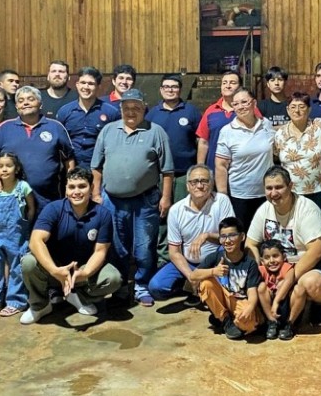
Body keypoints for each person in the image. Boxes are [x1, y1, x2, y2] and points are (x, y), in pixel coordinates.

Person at [91, 89, 174, 307]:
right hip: (112, 200)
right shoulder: (108, 131)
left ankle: (142, 286)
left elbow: (167, 171)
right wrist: (96, 194)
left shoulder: (156, 132)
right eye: (127, 107)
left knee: (144, 247)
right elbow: (96, 167)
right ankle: (120, 286)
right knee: (117, 246)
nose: (131, 112)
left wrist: (166, 198)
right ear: (120, 109)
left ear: (143, 109)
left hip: (145, 200)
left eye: (136, 108)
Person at [20, 167, 122, 324]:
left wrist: (85, 272)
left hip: (80, 270)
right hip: (54, 270)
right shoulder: (53, 209)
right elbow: (35, 241)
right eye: (72, 187)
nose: (76, 191)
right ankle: (40, 305)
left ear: (91, 188)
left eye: (82, 186)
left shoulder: (103, 214)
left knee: (113, 278)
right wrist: (55, 270)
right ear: (66, 190)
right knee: (28, 262)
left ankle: (77, 296)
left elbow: (101, 251)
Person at [246, 166, 321, 336]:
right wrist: (259, 266)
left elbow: (316, 251)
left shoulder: (307, 209)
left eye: (279, 187)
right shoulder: (264, 209)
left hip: (314, 263)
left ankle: (316, 306)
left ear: (290, 186)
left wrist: (288, 279)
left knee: (309, 284)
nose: (274, 193)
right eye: (269, 188)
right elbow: (250, 243)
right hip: (279, 265)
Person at [147, 164, 235, 301]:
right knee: (156, 287)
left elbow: (231, 237)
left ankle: (206, 286)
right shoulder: (176, 210)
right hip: (189, 263)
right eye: (194, 182)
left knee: (224, 282)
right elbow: (174, 252)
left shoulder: (222, 201)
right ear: (187, 186)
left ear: (211, 184)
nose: (199, 186)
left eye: (204, 181)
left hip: (216, 261)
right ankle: (189, 286)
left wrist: (207, 235)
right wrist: (191, 276)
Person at [0, 86, 75, 213]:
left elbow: (69, 159)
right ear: (16, 107)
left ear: (40, 104)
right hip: (12, 200)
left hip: (48, 200)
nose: (25, 103)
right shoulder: (5, 127)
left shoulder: (56, 127)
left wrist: (71, 185)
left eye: (30, 99)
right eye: (20, 101)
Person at [189, 217, 264, 340]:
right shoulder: (215, 256)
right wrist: (213, 271)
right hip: (223, 296)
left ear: (242, 237)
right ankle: (225, 320)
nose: (227, 241)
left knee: (250, 325)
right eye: (223, 237)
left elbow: (252, 290)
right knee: (206, 283)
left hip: (239, 300)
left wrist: (250, 307)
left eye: (232, 235)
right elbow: (193, 276)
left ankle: (219, 317)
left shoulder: (249, 263)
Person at [0, 153, 35, 317]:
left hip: (16, 235)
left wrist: (26, 224)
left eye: (8, 166)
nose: (4, 169)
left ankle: (15, 302)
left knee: (16, 268)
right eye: (0, 166)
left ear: (16, 168)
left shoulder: (23, 187)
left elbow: (32, 207)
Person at [215, 88, 275, 229]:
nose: (240, 107)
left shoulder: (266, 124)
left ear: (254, 103)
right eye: (236, 104)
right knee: (243, 236)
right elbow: (221, 165)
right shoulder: (227, 131)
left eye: (244, 102)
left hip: (267, 193)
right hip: (240, 196)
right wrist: (223, 196)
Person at [145, 74, 201, 203]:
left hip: (184, 173)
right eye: (166, 87)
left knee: (184, 210)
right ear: (161, 90)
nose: (170, 90)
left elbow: (200, 140)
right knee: (161, 212)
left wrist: (198, 166)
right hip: (158, 174)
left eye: (174, 87)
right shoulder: (152, 113)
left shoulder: (191, 111)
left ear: (180, 90)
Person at [56, 67, 120, 169]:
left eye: (91, 84)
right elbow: (58, 143)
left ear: (98, 86)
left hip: (101, 170)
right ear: (77, 85)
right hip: (71, 172)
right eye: (83, 83)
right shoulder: (64, 112)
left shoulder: (112, 113)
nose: (86, 87)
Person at [273, 91, 321, 208]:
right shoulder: (280, 134)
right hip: (290, 192)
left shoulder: (320, 126)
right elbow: (276, 158)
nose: (297, 111)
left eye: (302, 107)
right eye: (293, 107)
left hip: (318, 191)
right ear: (287, 110)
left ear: (309, 110)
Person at [196, 71, 244, 170]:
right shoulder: (211, 110)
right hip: (214, 169)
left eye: (232, 83)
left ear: (240, 87)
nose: (228, 86)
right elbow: (203, 141)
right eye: (224, 83)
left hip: (242, 171)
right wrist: (200, 167)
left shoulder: (248, 109)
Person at [257, 240, 295, 340]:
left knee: (284, 285)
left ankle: (289, 324)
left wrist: (275, 303)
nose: (272, 261)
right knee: (261, 287)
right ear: (262, 260)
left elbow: (289, 281)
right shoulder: (261, 270)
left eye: (275, 256)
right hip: (268, 312)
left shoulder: (287, 267)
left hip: (284, 308)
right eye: (267, 257)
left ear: (284, 256)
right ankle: (271, 322)